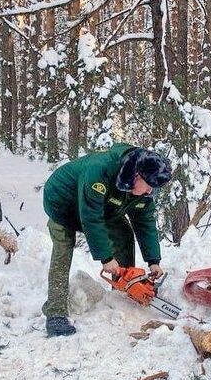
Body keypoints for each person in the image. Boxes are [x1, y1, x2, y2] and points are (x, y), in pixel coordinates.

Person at [41, 143, 172, 337]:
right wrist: (106, 257)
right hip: (63, 201)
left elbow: (145, 221)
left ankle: (123, 292)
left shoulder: (141, 188)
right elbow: (91, 218)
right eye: (150, 187)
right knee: (63, 246)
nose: (150, 192)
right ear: (137, 175)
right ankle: (55, 313)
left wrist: (154, 261)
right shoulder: (100, 170)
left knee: (123, 234)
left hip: (101, 206)